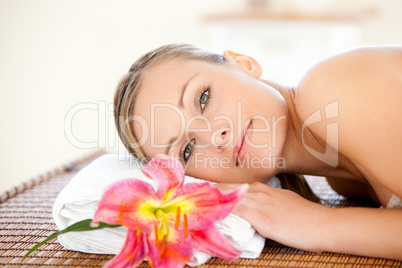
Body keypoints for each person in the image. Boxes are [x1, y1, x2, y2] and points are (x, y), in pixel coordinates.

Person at [113, 43, 402, 260]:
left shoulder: (330, 90)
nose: (215, 136)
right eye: (187, 150)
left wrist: (319, 224)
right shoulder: (342, 181)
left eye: (204, 98)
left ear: (243, 63)